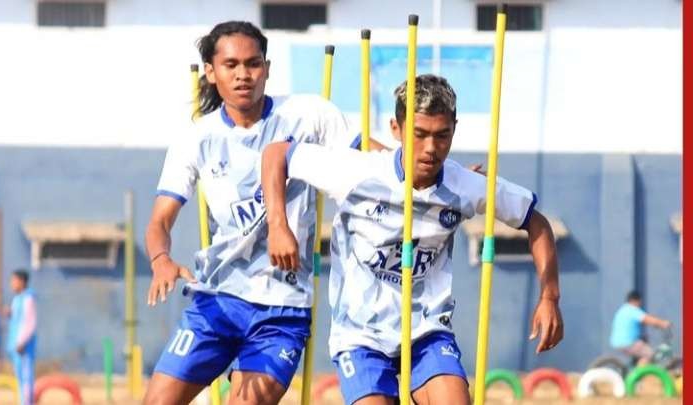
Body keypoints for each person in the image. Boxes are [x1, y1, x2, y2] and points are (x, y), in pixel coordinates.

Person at [262, 74, 564, 405]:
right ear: (397, 129)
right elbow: (277, 154)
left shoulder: (466, 186)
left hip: (426, 332)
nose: (431, 149)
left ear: (454, 129)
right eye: (420, 135)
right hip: (360, 335)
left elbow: (537, 223)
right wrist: (278, 224)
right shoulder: (355, 171)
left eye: (442, 136)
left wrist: (549, 297)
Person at [142, 20, 384, 405]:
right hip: (217, 300)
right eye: (231, 65)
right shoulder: (196, 138)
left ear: (267, 69)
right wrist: (160, 259)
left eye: (253, 64)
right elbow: (159, 221)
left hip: (282, 308)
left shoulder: (308, 114)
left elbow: (373, 158)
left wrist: (438, 172)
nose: (243, 75)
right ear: (210, 71)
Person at [609, 290, 671, 366]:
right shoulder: (632, 310)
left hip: (617, 342)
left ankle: (636, 366)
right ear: (635, 301)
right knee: (649, 354)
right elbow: (647, 319)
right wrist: (663, 323)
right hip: (628, 342)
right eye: (640, 302)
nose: (640, 304)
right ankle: (638, 375)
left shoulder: (623, 310)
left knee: (642, 342)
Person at [6, 270, 37, 405]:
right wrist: (10, 314)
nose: (11, 284)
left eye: (14, 281)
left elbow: (30, 322)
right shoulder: (17, 299)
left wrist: (21, 342)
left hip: (23, 347)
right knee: (19, 378)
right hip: (16, 346)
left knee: (26, 379)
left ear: (22, 282)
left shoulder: (28, 298)